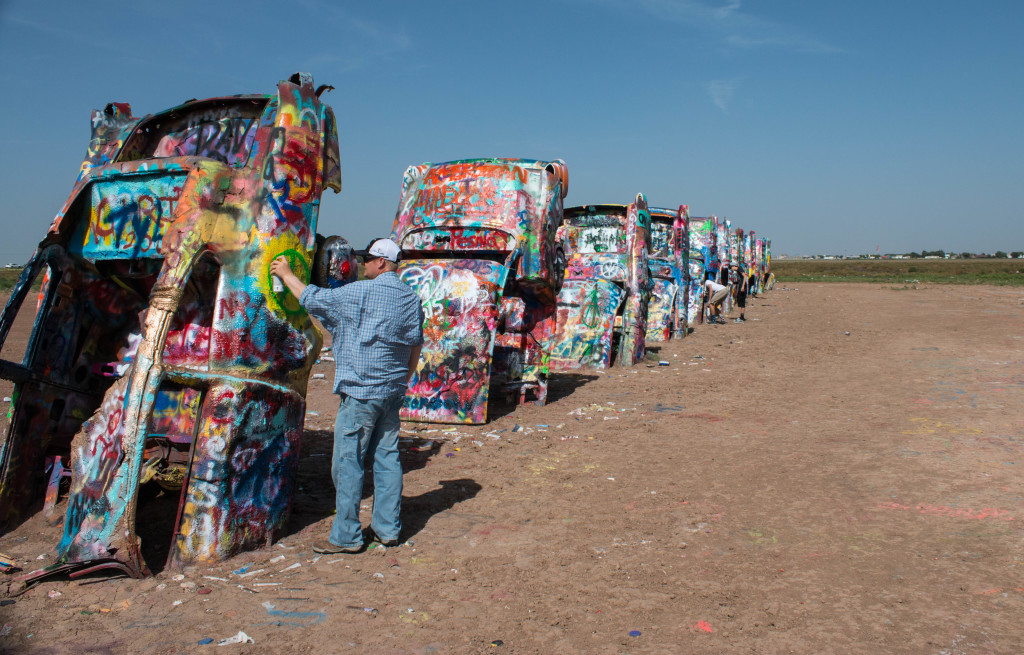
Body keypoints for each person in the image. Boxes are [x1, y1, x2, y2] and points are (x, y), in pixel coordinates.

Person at [270, 238, 424, 554]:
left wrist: (286, 275)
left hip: (360, 392)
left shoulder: (360, 293)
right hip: (391, 392)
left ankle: (347, 536)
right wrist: (402, 380)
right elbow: (415, 345)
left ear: (381, 262)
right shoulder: (411, 299)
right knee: (387, 459)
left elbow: (313, 299)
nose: (361, 264)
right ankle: (387, 530)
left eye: (367, 258)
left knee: (348, 463)